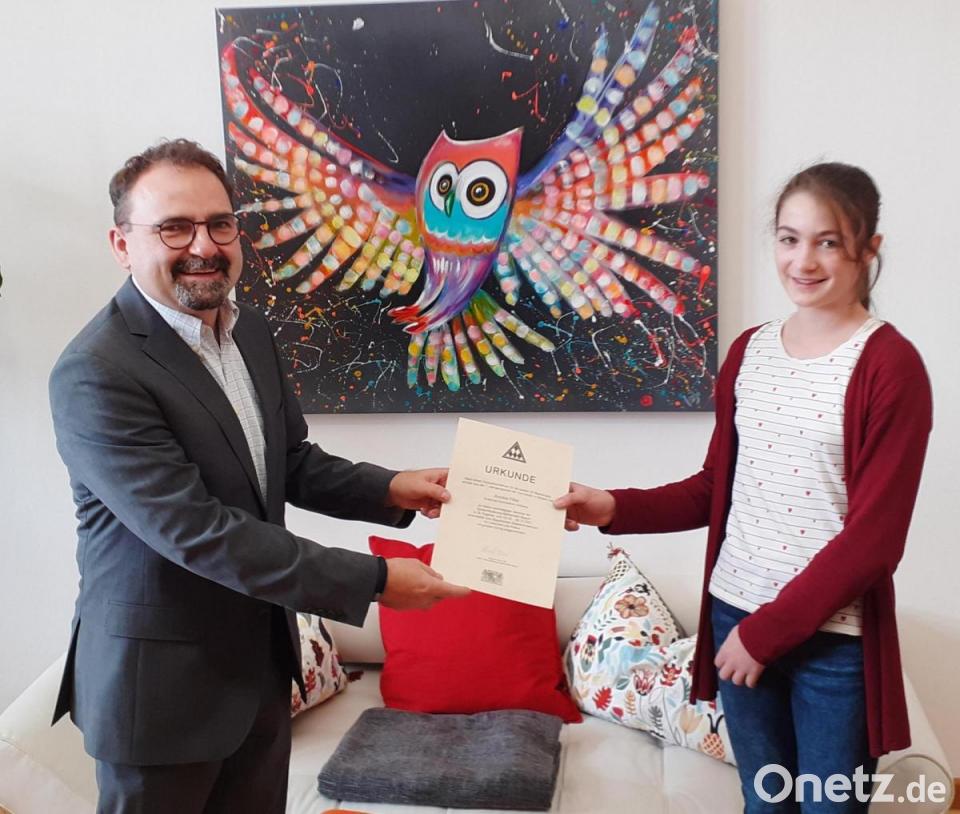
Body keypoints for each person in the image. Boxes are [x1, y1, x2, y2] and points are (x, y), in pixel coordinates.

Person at [49, 138, 469, 814]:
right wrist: (376, 580)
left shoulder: (249, 333)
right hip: (158, 700)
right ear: (122, 244)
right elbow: (197, 531)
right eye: (174, 227)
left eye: (220, 224)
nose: (204, 246)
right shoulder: (96, 372)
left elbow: (288, 460)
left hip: (260, 679)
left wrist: (393, 489)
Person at [555, 163, 932, 812]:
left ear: (870, 248)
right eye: (789, 239)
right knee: (765, 805)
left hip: (830, 644)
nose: (803, 261)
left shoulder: (891, 366)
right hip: (734, 612)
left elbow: (876, 540)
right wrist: (610, 506)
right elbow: (714, 488)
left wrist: (766, 634)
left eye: (828, 242)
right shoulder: (750, 352)